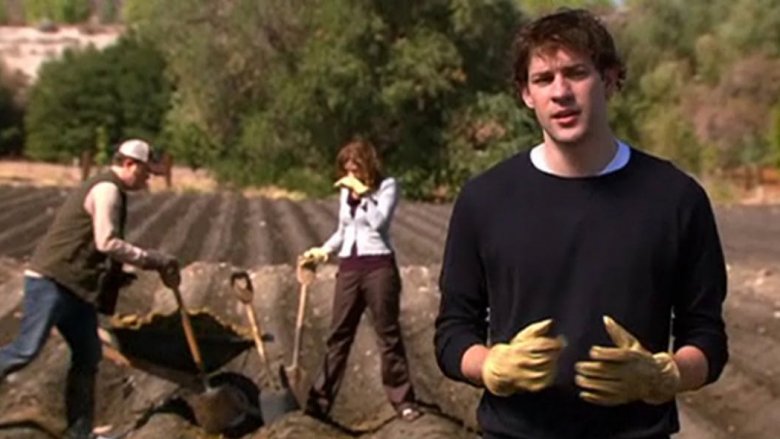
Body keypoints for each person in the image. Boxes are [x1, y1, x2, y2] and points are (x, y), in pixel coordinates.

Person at [434, 9, 728, 439]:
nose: (561, 92)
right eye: (543, 79)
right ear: (526, 95)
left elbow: (707, 337)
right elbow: (452, 331)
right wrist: (489, 365)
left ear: (609, 80)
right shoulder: (485, 199)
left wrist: (665, 375)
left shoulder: (675, 199)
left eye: (576, 73)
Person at [0, 139, 181, 439]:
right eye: (146, 172)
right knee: (25, 350)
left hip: (76, 289)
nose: (148, 179)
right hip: (51, 282)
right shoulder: (107, 190)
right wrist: (152, 260)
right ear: (129, 164)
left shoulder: (114, 190)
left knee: (87, 357)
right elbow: (106, 242)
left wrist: (116, 276)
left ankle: (80, 433)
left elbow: (97, 249)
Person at [301, 139, 422, 422]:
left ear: (367, 165)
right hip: (350, 268)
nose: (350, 173)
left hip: (378, 267)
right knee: (338, 336)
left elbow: (379, 222)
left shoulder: (387, 187)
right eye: (346, 168)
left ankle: (403, 400)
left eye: (355, 167)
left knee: (387, 335)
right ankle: (318, 404)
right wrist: (322, 251)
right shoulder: (346, 193)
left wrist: (365, 193)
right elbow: (344, 230)